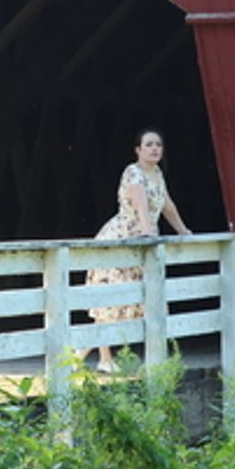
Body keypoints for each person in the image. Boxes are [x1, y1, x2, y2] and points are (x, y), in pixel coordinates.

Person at [83, 127, 192, 372]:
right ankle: (104, 358)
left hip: (142, 240)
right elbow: (140, 203)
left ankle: (83, 354)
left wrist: (183, 230)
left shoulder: (158, 174)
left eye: (158, 145)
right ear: (138, 150)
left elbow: (167, 204)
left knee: (139, 300)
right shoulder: (133, 172)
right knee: (112, 299)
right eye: (149, 144)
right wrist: (147, 231)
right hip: (121, 239)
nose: (155, 149)